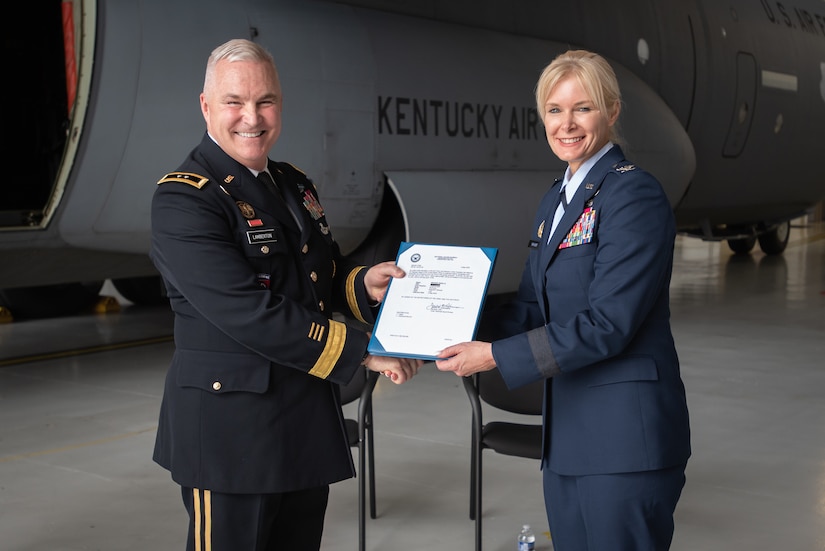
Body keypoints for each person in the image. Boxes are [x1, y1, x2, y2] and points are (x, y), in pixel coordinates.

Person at [150, 38, 422, 551]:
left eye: (265, 101)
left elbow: (318, 275)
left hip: (301, 418)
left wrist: (363, 282)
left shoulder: (292, 183)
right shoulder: (185, 200)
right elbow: (247, 311)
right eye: (234, 101)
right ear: (206, 106)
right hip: (232, 434)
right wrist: (363, 349)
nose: (251, 117)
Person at [436, 50, 691, 550]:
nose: (566, 124)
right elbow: (532, 307)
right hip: (569, 436)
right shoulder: (558, 198)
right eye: (554, 110)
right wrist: (449, 327)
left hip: (624, 440)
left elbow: (610, 323)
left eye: (583, 108)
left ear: (612, 111)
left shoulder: (632, 196)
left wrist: (492, 356)